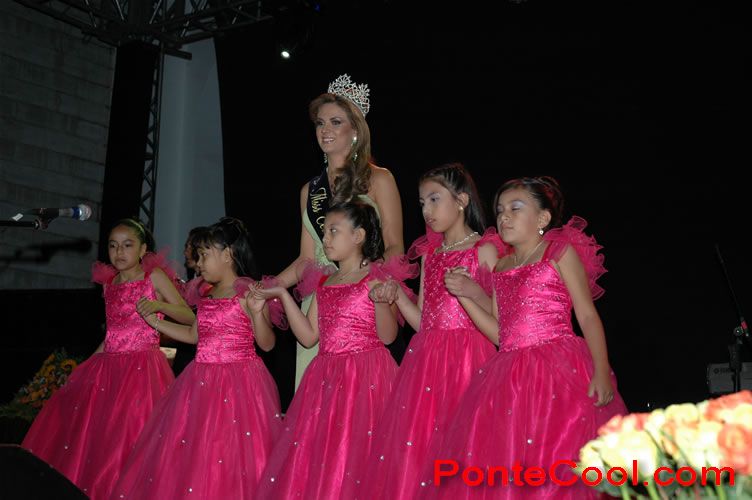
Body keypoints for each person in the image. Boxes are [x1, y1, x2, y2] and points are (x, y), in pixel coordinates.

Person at [416, 177, 627, 499]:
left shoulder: (558, 254)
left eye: (515, 208)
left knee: (561, 454)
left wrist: (600, 369)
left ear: (542, 218)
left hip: (558, 368)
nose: (504, 216)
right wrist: (465, 297)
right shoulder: (501, 267)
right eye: (500, 210)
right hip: (511, 374)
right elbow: (500, 333)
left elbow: (586, 315)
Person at [111, 217, 284, 499]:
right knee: (196, 451)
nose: (199, 263)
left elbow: (267, 344)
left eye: (204, 255)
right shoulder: (207, 295)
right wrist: (154, 322)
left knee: (231, 452)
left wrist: (256, 312)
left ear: (227, 254)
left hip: (239, 383)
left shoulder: (249, 292)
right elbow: (194, 335)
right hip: (201, 380)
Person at [21, 218, 195, 499]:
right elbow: (112, 335)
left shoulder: (153, 278)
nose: (119, 252)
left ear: (143, 250)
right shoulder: (110, 283)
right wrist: (84, 368)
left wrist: (159, 305)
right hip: (108, 369)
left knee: (132, 436)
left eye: (127, 245)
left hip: (142, 369)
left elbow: (188, 316)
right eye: (113, 246)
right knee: (99, 441)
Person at [361, 163, 504, 499]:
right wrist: (398, 296)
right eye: (422, 202)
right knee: (424, 446)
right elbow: (425, 322)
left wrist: (472, 292)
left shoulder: (484, 249)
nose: (426, 210)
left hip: (471, 359)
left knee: (468, 443)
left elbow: (501, 320)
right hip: (428, 363)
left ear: (462, 200)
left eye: (435, 199)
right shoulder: (430, 256)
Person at [255, 201, 415, 499]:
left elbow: (388, 336)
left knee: (360, 452)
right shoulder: (325, 282)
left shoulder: (377, 278)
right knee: (327, 454)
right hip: (326, 378)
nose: (325, 239)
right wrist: (283, 295)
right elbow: (308, 337)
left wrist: (382, 303)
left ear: (358, 236)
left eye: (333, 231)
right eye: (324, 231)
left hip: (367, 378)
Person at [274, 74, 405, 389]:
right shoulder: (310, 191)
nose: (325, 130)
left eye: (336, 122)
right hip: (321, 303)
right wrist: (268, 287)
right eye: (320, 123)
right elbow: (307, 259)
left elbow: (395, 245)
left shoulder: (379, 179)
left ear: (355, 130)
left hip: (362, 300)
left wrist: (369, 280)